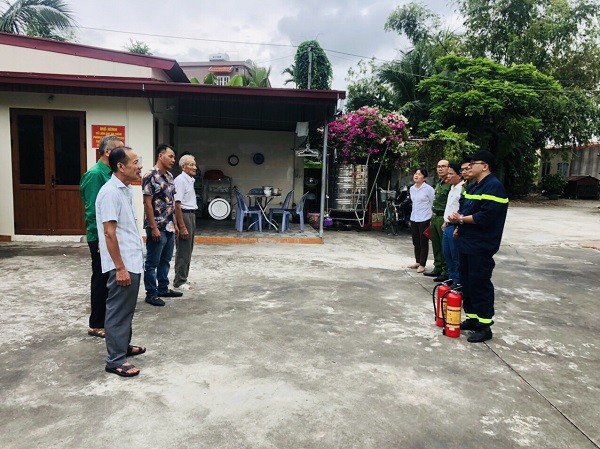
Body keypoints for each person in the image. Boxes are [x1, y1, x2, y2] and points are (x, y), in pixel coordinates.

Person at [448, 150, 509, 343]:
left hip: (481, 244)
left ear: (485, 166)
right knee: (467, 280)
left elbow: (487, 216)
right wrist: (459, 224)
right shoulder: (473, 187)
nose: (469, 167)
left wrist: (462, 220)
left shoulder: (494, 187)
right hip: (467, 242)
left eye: (474, 163)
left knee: (479, 282)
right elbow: (464, 207)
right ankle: (473, 318)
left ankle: (485, 325)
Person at [96, 146, 146, 377]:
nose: (139, 166)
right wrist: (120, 268)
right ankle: (115, 360)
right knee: (118, 311)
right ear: (120, 166)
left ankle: (122, 346)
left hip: (132, 260)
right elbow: (109, 232)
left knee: (126, 309)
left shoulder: (124, 189)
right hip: (122, 264)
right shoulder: (110, 193)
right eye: (135, 162)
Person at [79, 135, 124, 339]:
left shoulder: (109, 174)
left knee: (109, 278)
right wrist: (99, 240)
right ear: (108, 152)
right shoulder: (95, 175)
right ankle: (96, 323)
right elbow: (92, 212)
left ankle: (107, 318)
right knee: (100, 278)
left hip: (108, 235)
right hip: (99, 237)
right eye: (120, 149)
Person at [142, 144, 183, 306]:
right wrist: (153, 228)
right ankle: (151, 293)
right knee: (152, 262)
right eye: (170, 156)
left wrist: (177, 225)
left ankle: (163, 288)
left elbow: (171, 203)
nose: (173, 160)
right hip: (157, 226)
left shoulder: (170, 176)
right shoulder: (150, 176)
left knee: (165, 260)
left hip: (169, 226)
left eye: (174, 157)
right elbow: (147, 204)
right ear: (160, 156)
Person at [173, 154, 198, 290]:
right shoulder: (181, 180)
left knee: (188, 249)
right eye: (191, 165)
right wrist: (181, 226)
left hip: (191, 215)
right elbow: (177, 204)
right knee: (183, 249)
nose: (195, 167)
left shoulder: (189, 180)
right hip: (184, 215)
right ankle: (179, 281)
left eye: (194, 164)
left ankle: (183, 278)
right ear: (183, 167)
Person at [424, 160, 451, 282]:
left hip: (443, 217)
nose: (440, 169)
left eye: (443, 166)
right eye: (438, 167)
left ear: (449, 168)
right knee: (436, 244)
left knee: (443, 245)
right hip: (434, 217)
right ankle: (437, 268)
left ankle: (445, 271)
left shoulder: (451, 184)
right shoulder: (439, 183)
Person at [407, 168, 435, 273]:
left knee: (423, 242)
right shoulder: (412, 188)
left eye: (419, 174)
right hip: (414, 217)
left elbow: (433, 202)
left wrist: (432, 217)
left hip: (425, 218)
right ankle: (417, 261)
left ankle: (422, 264)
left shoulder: (429, 189)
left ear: (424, 177)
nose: (416, 175)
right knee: (416, 241)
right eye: (415, 173)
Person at [441, 162, 464, 286]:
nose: (448, 176)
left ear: (459, 175)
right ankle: (451, 279)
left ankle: (458, 282)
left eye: (451, 173)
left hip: (455, 226)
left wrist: (458, 226)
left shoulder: (462, 189)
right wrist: (445, 221)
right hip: (448, 225)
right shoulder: (452, 188)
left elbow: (462, 209)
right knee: (447, 254)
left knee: (455, 255)